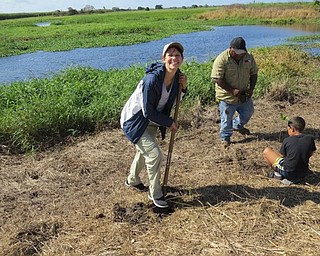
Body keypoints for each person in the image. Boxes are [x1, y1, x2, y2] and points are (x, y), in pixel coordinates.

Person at [120, 42, 187, 208]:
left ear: (182, 59)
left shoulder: (178, 78)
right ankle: (155, 193)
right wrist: (169, 122)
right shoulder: (151, 80)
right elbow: (148, 112)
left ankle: (133, 180)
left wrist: (183, 88)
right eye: (170, 55)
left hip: (151, 120)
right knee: (154, 154)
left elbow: (174, 101)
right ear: (163, 58)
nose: (174, 58)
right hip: (134, 120)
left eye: (177, 55)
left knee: (144, 152)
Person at [211, 37, 259, 147]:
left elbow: (254, 73)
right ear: (230, 49)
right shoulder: (222, 59)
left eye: (241, 52)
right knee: (226, 119)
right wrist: (232, 90)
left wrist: (251, 89)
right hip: (227, 97)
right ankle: (225, 138)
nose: (239, 55)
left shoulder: (248, 57)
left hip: (243, 94)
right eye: (237, 52)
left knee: (248, 112)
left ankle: (237, 125)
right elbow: (217, 78)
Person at [263, 116, 316, 183]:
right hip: (303, 172)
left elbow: (281, 156)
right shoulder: (310, 139)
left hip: (289, 172)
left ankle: (277, 174)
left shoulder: (287, 140)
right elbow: (311, 153)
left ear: (292, 129)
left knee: (267, 151)